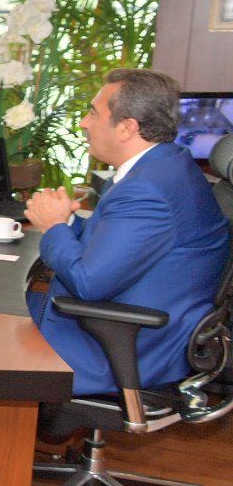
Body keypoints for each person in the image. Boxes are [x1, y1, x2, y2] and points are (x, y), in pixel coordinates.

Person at [26, 69, 228, 429]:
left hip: (121, 347)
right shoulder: (166, 166)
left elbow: (89, 283)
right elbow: (119, 243)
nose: (83, 123)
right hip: (144, 326)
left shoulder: (147, 189)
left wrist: (54, 227)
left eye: (93, 112)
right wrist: (68, 221)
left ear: (127, 128)